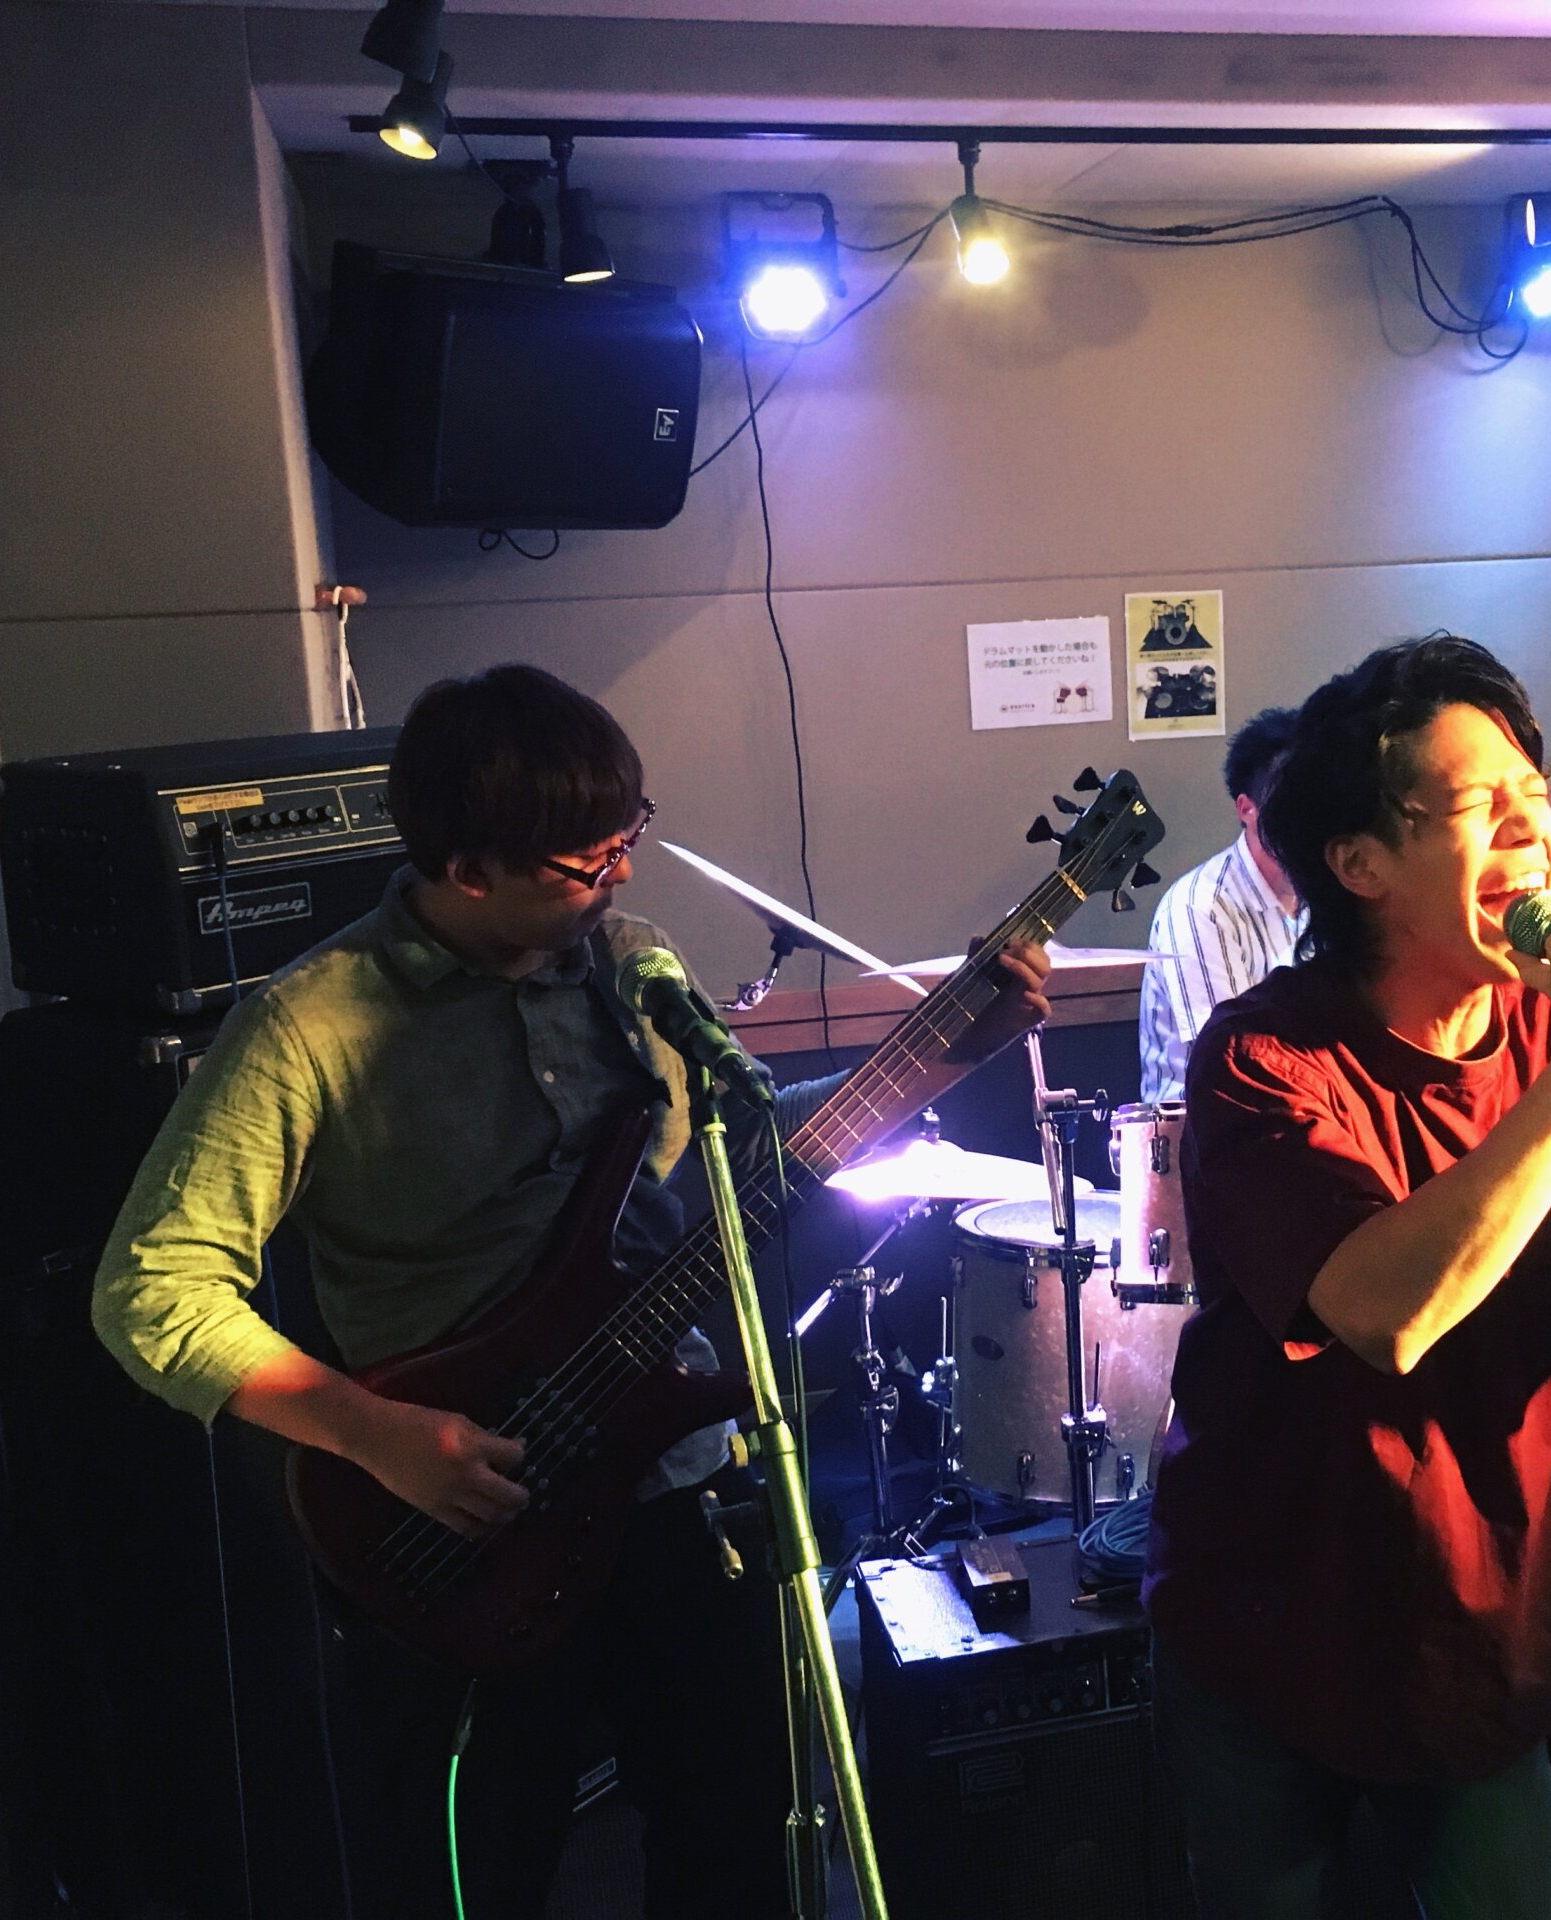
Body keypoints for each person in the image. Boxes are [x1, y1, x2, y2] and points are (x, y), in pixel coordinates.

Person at [90, 663, 1050, 1919]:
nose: (622, 875)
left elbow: (741, 1158)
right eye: (586, 860)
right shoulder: (308, 1027)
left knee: (735, 1846)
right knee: (480, 1874)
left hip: (674, 1487)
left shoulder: (633, 968)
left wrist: (941, 1057)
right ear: (467, 868)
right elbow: (151, 1286)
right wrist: (374, 1435)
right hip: (464, 1520)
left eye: (626, 836)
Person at [1141, 635, 1551, 1918]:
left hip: (1485, 1621)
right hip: (1272, 1620)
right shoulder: (1262, 1057)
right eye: (1482, 806)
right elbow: (1386, 1313)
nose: (1532, 832)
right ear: (1360, 863)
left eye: (1536, 794)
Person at [1139, 705, 1305, 1101]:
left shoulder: (1330, 891)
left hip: (1306, 1106)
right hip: (1206, 1122)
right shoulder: (1199, 906)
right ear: (1247, 808)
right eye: (1289, 802)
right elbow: (1231, 1058)